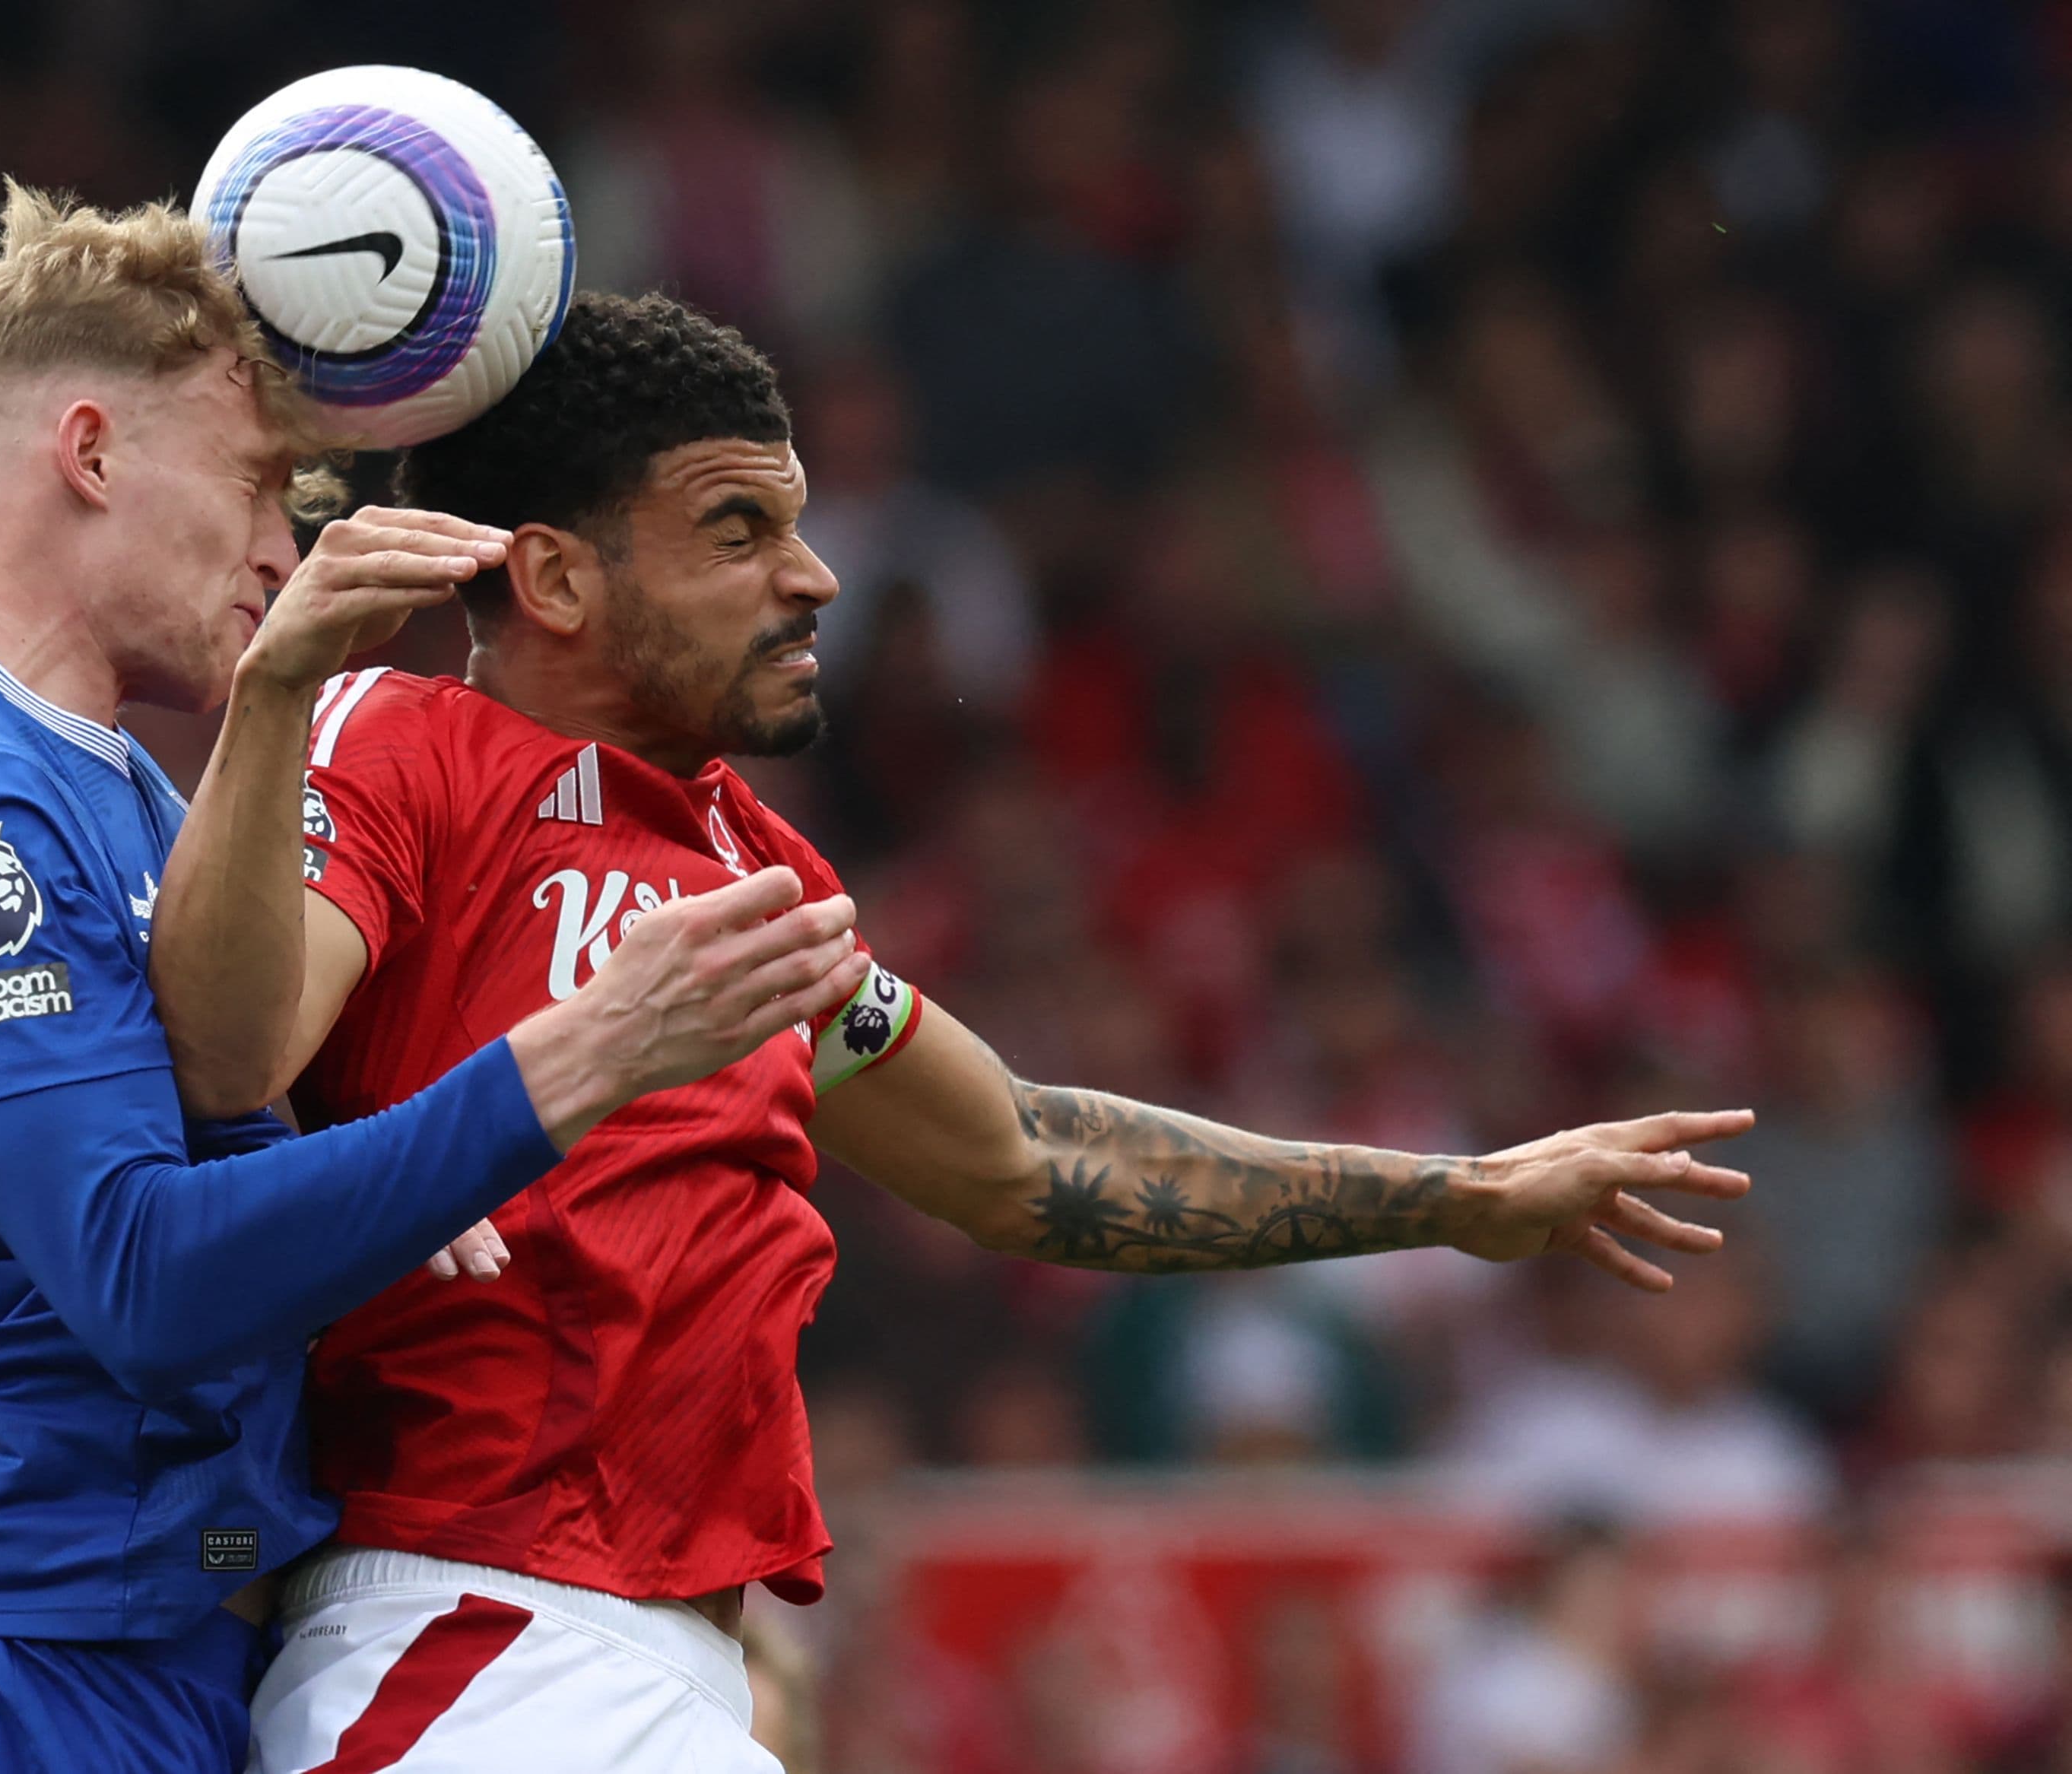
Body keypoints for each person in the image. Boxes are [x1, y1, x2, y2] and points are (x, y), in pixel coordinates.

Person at [147, 291, 1754, 1774]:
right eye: (736, 529)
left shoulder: (753, 875)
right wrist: (280, 696)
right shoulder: (410, 743)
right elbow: (228, 1054)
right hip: (473, 1637)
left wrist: (1458, 1202)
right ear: (557, 576)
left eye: (793, 522)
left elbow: (1020, 1156)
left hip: (658, 1668)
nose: (812, 573)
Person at [0, 194, 867, 1774]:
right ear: (89, 453)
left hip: (150, 1661)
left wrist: (356, 1195)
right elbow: (144, 1277)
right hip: (18, 1679)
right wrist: (557, 1072)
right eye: (252, 485)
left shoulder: (103, 790)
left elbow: (203, 1171)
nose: (284, 547)